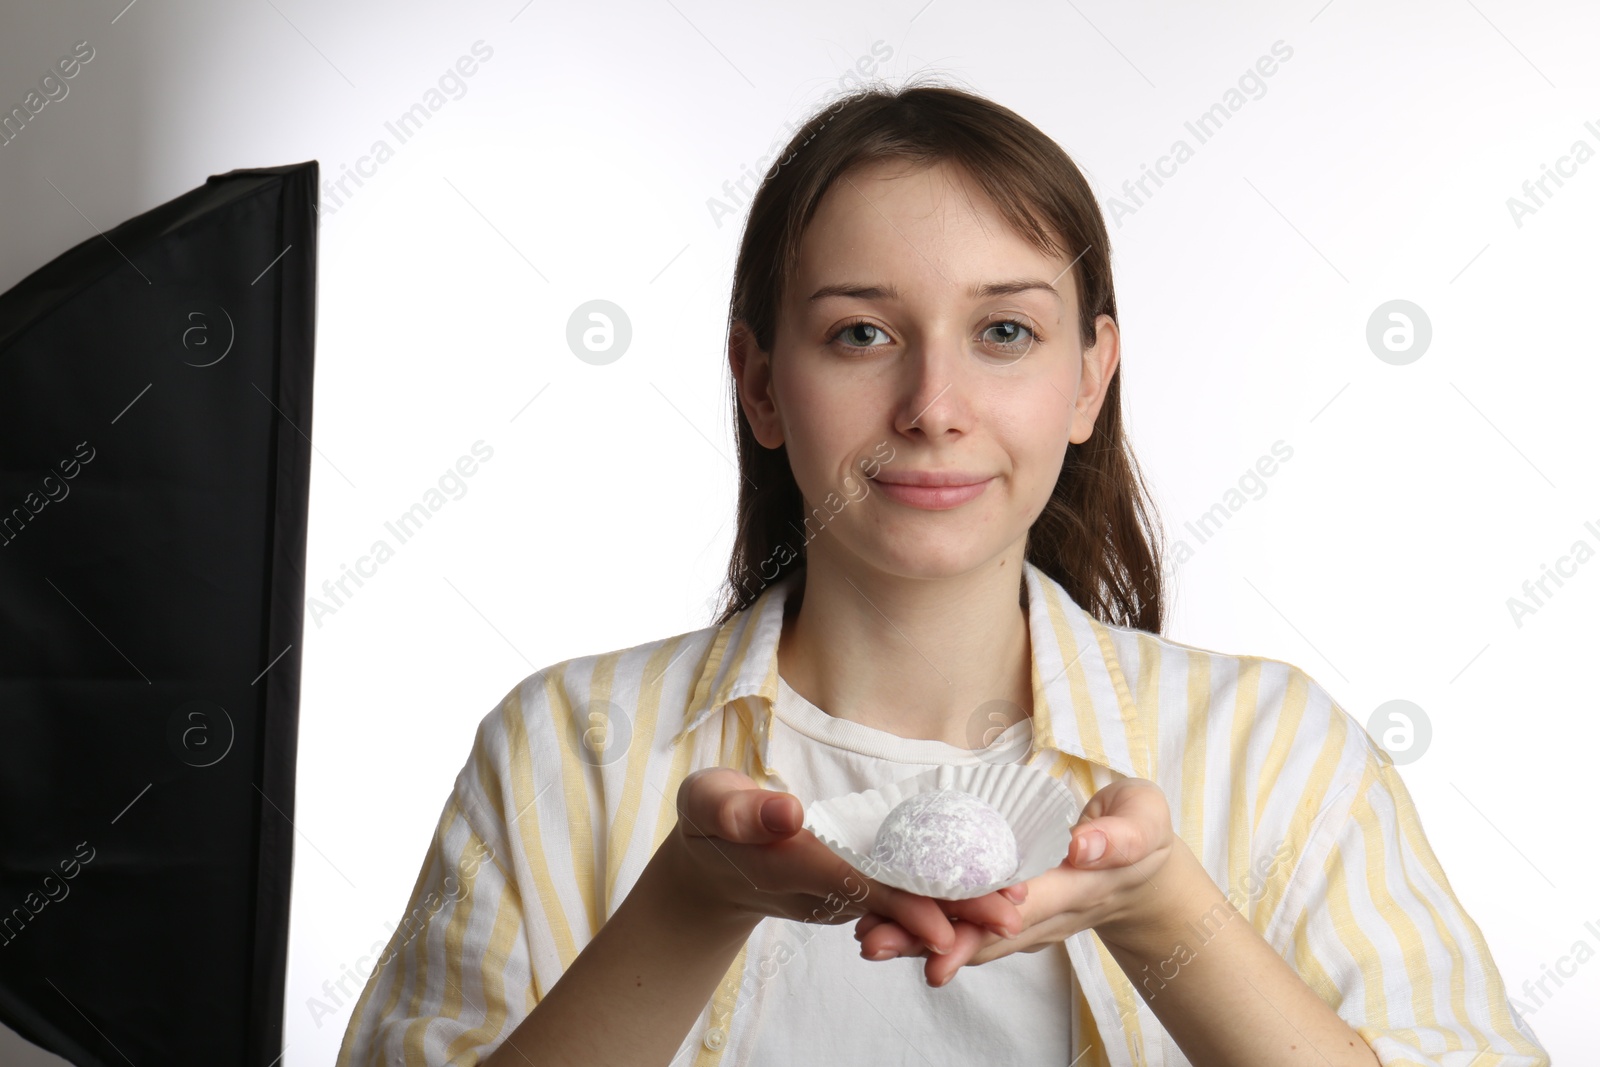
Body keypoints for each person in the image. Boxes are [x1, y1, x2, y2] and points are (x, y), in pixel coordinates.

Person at [335, 82, 1551, 1067]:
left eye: (1005, 331)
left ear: (1089, 378)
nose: (932, 407)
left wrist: (1162, 909)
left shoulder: (1276, 751)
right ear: (759, 380)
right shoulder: (565, 749)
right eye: (860, 333)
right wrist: (692, 899)